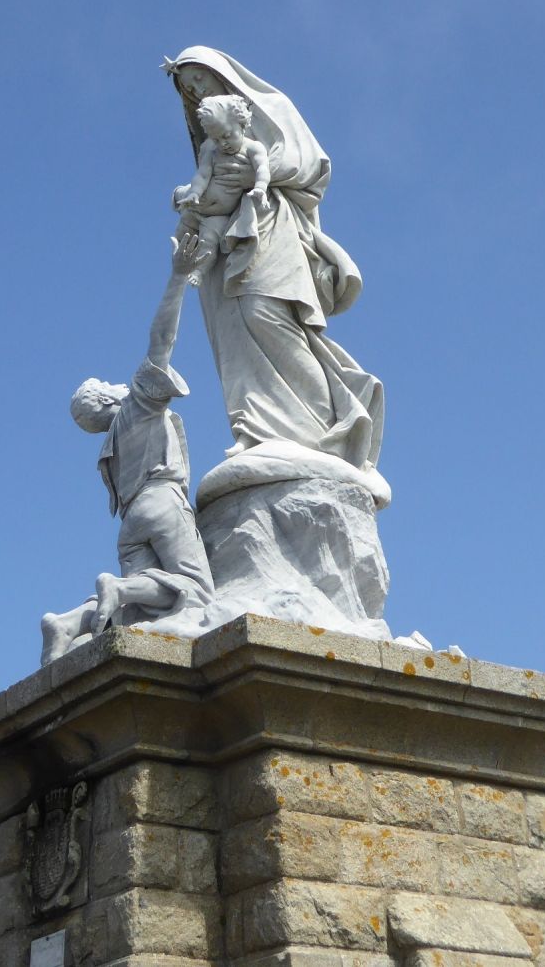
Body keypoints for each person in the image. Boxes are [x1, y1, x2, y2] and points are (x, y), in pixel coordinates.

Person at [164, 46, 384, 470]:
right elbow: (207, 185)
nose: (196, 92)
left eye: (201, 81)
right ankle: (255, 429)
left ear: (222, 76)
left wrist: (257, 177)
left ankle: (332, 427)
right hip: (225, 238)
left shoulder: (273, 108)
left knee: (268, 313)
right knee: (232, 331)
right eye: (189, 89)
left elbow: (312, 165)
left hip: (270, 225)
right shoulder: (211, 148)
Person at [39, 235, 216, 664]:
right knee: (196, 590)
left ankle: (68, 623)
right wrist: (177, 279)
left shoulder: (109, 451)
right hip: (161, 504)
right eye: (109, 385)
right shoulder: (136, 407)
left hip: (130, 523)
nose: (119, 384)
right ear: (107, 399)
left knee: (141, 607)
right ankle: (114, 589)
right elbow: (161, 342)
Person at [173, 93, 270, 284]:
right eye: (216, 139)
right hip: (198, 205)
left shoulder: (253, 148)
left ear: (242, 123)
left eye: (227, 136)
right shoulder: (211, 149)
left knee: (208, 243)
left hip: (217, 216)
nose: (222, 143)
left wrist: (260, 188)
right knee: (183, 229)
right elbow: (203, 174)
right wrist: (194, 193)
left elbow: (262, 168)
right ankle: (177, 254)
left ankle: (200, 272)